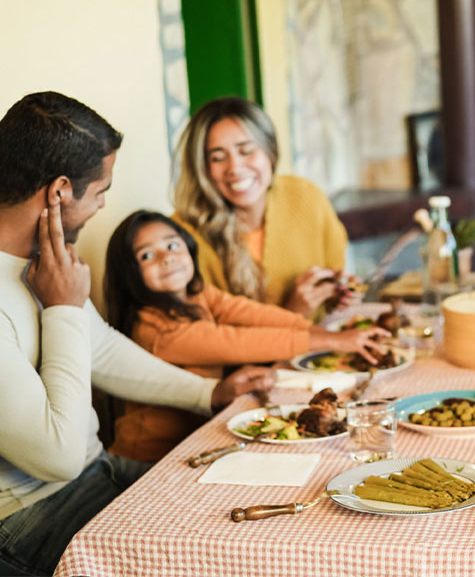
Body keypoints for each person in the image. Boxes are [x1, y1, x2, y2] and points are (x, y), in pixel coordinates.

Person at [0, 92, 275, 576]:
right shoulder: (42, 281)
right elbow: (58, 458)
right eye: (101, 191)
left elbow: (100, 348)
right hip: (33, 517)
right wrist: (63, 307)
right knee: (228, 562)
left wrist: (209, 393)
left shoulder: (43, 260)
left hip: (100, 470)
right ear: (59, 191)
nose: (103, 205)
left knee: (259, 509)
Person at [102, 210, 389, 462]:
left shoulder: (197, 294)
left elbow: (256, 315)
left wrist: (322, 332)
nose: (167, 258)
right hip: (150, 459)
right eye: (147, 255)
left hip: (196, 441)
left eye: (172, 245)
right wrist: (337, 340)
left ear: (188, 248)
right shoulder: (154, 329)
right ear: (130, 274)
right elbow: (239, 343)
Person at [172, 96, 351, 319]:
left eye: (246, 151)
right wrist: (293, 313)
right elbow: (209, 340)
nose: (235, 168)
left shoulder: (305, 195)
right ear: (203, 168)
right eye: (218, 158)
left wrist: (337, 295)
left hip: (321, 348)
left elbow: (336, 275)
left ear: (270, 151)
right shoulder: (181, 235)